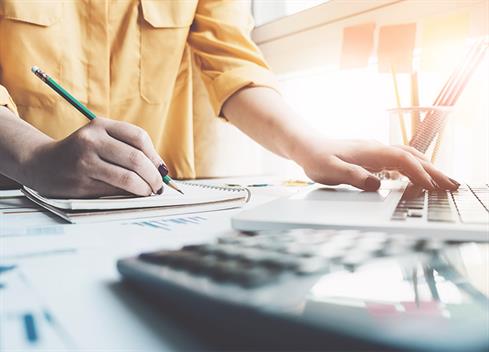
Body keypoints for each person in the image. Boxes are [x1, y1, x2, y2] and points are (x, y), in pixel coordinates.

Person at [0, 0, 459, 198]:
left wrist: (308, 145)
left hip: (158, 200)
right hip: (16, 201)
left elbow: (232, 63)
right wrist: (34, 155)